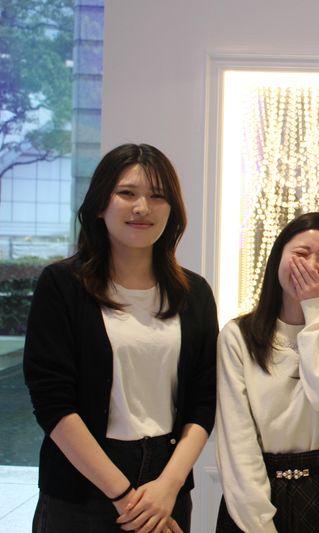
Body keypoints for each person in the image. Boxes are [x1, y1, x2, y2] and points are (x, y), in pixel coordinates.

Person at [23, 143, 218, 533]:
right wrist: (126, 497)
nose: (142, 207)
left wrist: (168, 486)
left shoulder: (194, 293)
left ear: (172, 210)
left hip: (166, 485)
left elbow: (203, 401)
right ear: (100, 205)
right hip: (82, 487)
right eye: (127, 193)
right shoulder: (62, 285)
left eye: (157, 196)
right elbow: (52, 403)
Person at [215, 212, 319, 533]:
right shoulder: (237, 335)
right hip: (254, 495)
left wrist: (315, 308)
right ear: (278, 259)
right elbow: (237, 441)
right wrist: (258, 524)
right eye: (301, 253)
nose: (311, 266)